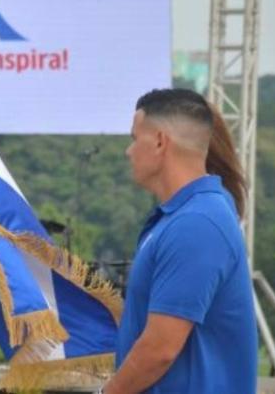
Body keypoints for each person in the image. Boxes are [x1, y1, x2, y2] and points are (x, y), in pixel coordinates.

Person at [102, 89, 257, 394]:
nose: (128, 151)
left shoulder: (196, 223)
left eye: (135, 138)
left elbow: (159, 350)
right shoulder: (185, 216)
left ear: (160, 141)